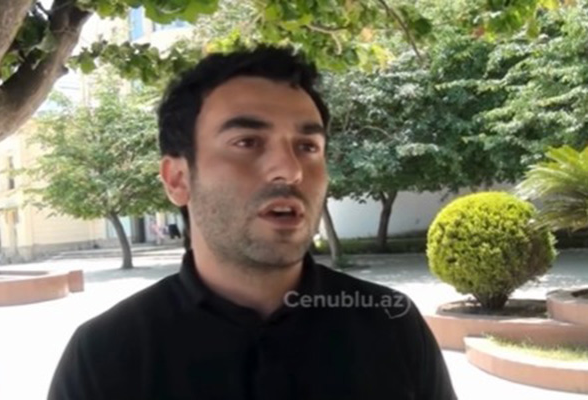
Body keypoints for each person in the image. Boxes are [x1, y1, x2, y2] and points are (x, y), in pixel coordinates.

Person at [48, 46, 457, 400]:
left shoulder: (391, 325)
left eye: (307, 146)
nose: (290, 170)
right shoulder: (103, 354)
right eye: (247, 142)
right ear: (177, 179)